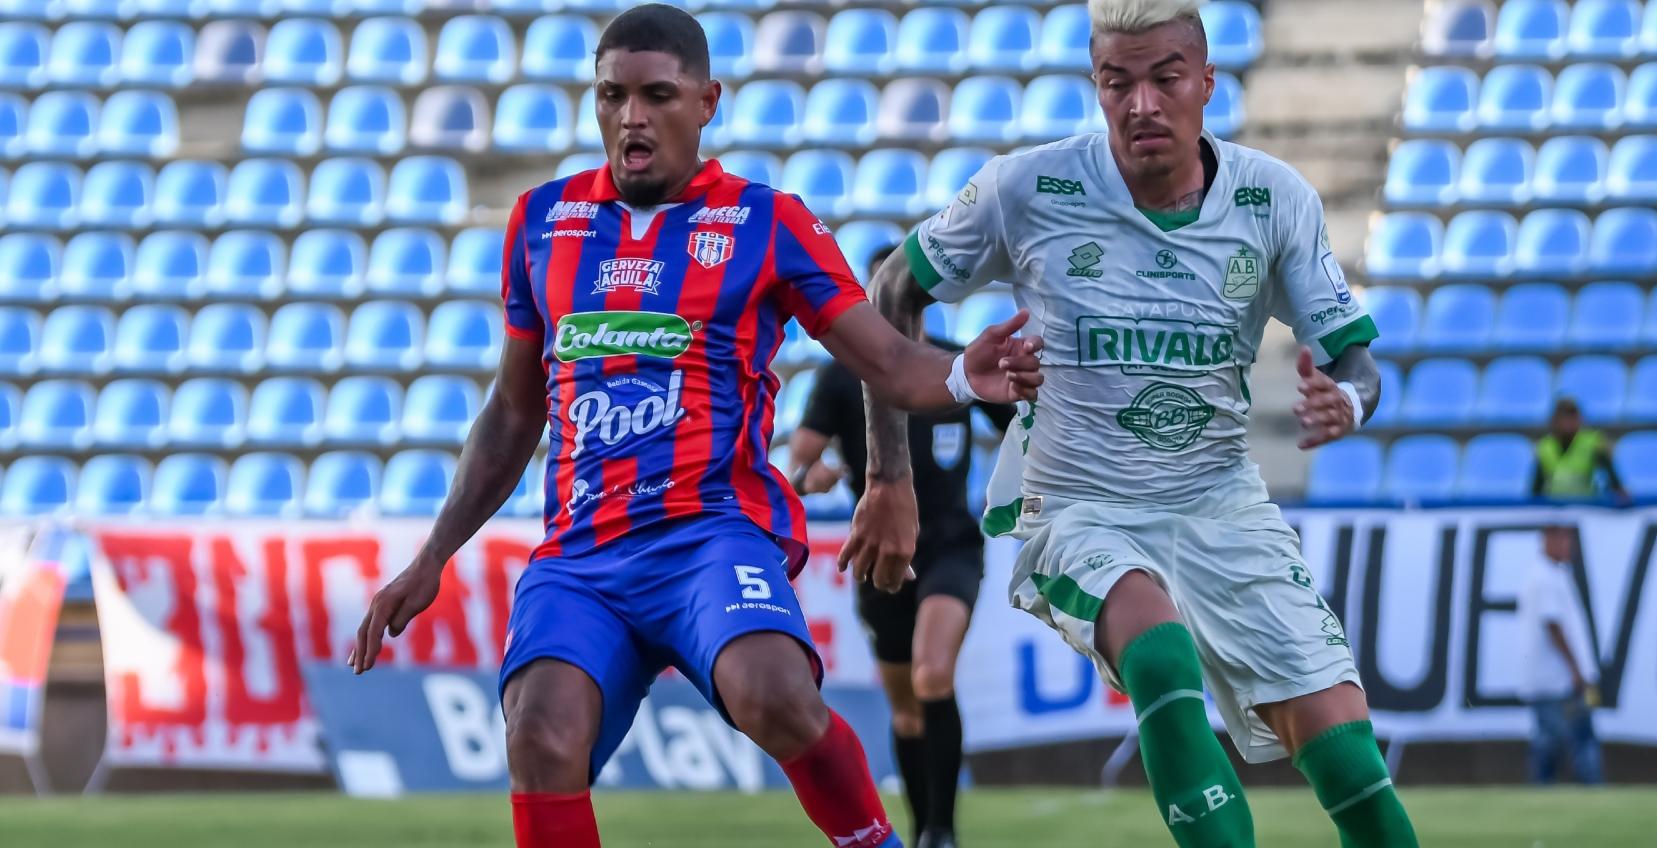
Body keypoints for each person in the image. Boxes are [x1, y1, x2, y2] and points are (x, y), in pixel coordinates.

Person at [343, 8, 1042, 848]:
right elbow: (514, 410)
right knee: (538, 734)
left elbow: (887, 359)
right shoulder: (542, 220)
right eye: (612, 95)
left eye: (656, 95)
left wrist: (964, 375)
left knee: (776, 695)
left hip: (711, 535)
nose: (631, 115)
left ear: (708, 101)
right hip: (583, 556)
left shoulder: (768, 222)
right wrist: (432, 555)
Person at [851, 0, 1422, 843]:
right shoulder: (1028, 186)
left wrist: (1352, 399)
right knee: (1158, 655)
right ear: (1097, 84)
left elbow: (1354, 360)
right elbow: (892, 288)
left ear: (1205, 83)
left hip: (1222, 505)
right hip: (1080, 506)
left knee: (1347, 758)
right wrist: (888, 476)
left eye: (1164, 79)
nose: (1142, 104)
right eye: (1118, 83)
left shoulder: (1273, 198)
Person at [786, 246, 1014, 848]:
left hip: (950, 547)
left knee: (933, 673)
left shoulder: (953, 364)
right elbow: (798, 470)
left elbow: (1020, 425)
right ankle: (919, 832)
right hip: (882, 555)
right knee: (907, 708)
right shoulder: (841, 375)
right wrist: (817, 477)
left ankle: (942, 832)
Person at [1518, 524, 1603, 786]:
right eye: (1563, 538)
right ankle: (1579, 791)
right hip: (1556, 680)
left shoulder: (1555, 573)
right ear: (1548, 539)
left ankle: (1551, 791)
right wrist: (1576, 670)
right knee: (1562, 741)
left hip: (1560, 679)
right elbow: (1553, 626)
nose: (1569, 545)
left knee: (1564, 739)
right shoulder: (1544, 576)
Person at [1531, 398, 1628, 502]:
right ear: (1555, 420)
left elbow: (1612, 477)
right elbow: (1537, 488)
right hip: (1555, 509)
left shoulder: (1593, 443)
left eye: (1572, 417)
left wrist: (1619, 492)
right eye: (1564, 418)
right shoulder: (1545, 447)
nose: (1568, 423)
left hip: (1585, 506)